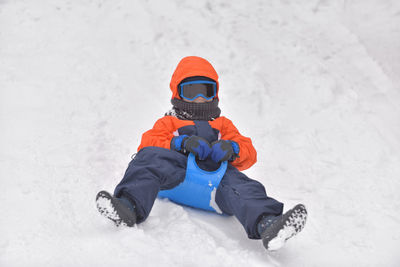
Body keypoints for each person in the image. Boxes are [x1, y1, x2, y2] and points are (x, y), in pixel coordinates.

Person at [96, 56, 307, 251]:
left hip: (215, 188)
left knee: (243, 186)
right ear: (178, 93)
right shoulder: (169, 121)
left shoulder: (223, 125)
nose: (198, 98)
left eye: (205, 91)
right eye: (191, 91)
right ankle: (129, 206)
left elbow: (249, 152)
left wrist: (232, 149)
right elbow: (147, 143)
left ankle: (267, 224)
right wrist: (179, 142)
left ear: (214, 93)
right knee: (150, 159)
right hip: (173, 178)